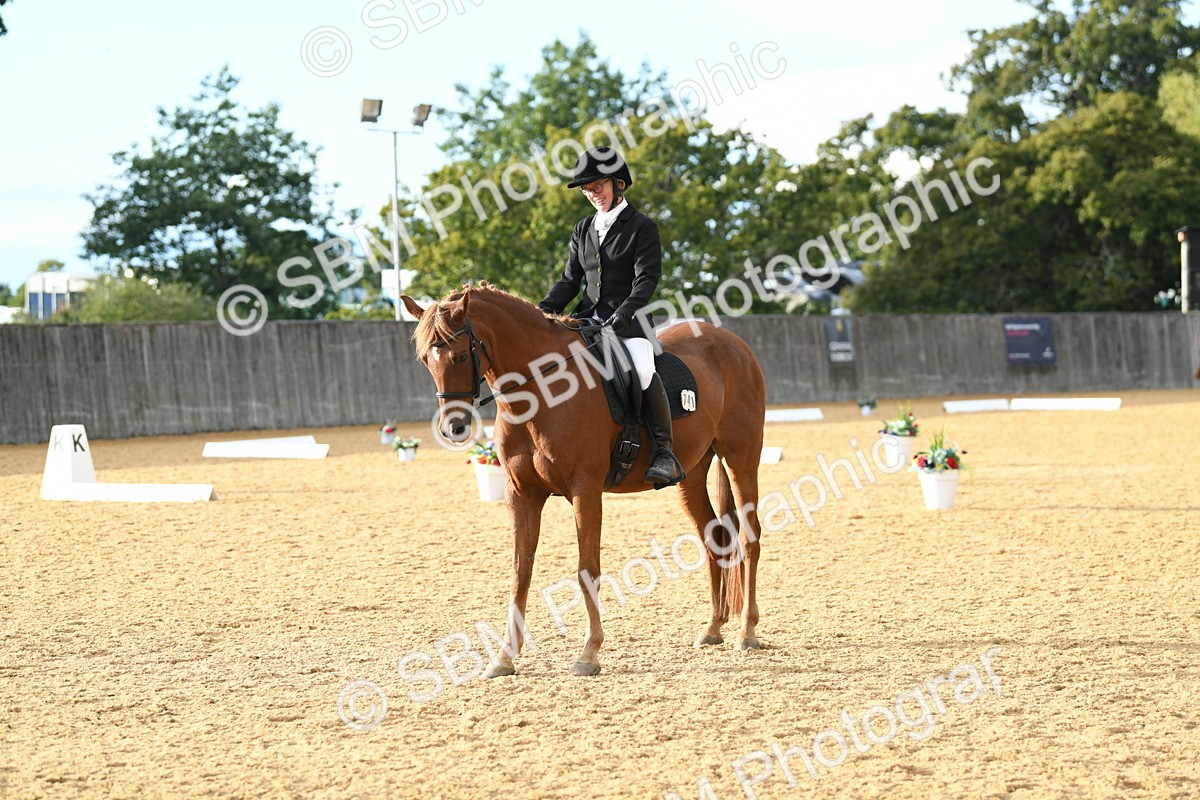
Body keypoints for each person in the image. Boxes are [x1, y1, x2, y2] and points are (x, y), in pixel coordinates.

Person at [537, 146, 679, 486]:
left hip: (630, 321)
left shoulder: (641, 226)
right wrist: (540, 312)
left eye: (598, 187)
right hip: (587, 320)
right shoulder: (583, 229)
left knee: (641, 368)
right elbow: (569, 281)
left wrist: (624, 313)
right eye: (587, 190)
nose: (593, 195)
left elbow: (646, 279)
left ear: (618, 184)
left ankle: (664, 452)